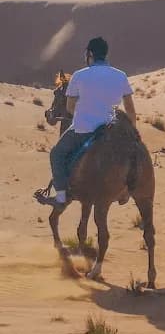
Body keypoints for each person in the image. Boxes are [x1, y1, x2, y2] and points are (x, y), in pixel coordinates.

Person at [40, 37, 137, 209]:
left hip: (83, 130)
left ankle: (61, 197)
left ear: (90, 54)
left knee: (57, 154)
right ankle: (127, 190)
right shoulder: (121, 75)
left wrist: (86, 114)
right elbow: (130, 110)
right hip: (110, 130)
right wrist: (132, 133)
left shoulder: (79, 75)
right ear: (106, 54)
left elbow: (70, 107)